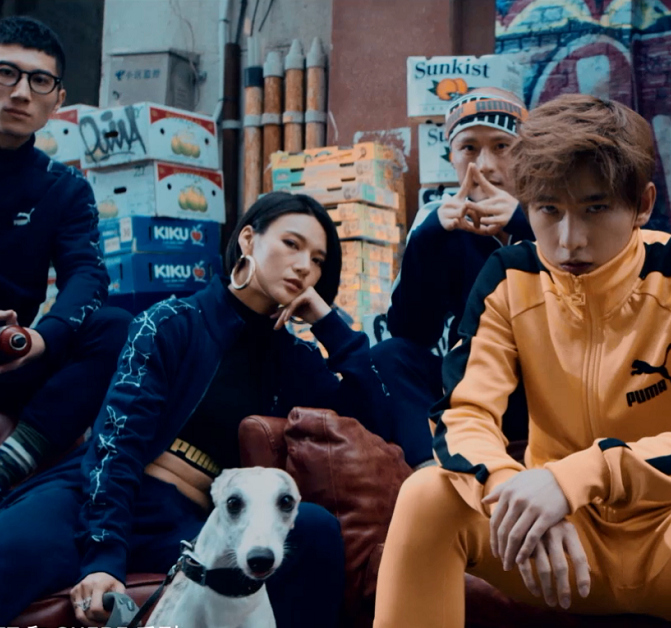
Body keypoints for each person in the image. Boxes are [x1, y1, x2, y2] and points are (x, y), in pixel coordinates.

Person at [373, 94, 671, 627]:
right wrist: (514, 495)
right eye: (549, 210)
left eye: (595, 208)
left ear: (642, 204)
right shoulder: (508, 276)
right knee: (426, 495)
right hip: (562, 548)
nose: (569, 240)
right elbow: (463, 415)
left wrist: (575, 478)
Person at [0, 192, 392, 627]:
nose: (304, 267)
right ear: (248, 239)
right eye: (291, 244)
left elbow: (378, 421)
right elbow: (117, 444)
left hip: (193, 523)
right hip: (97, 499)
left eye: (318, 260)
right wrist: (104, 555)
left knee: (314, 529)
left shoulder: (293, 361)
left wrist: (330, 324)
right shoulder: (172, 321)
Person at [0, 16, 131, 493]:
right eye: (6, 73)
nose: (20, 93)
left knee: (116, 328)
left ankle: (15, 458)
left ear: (57, 100)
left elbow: (88, 276)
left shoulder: (65, 188)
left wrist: (41, 339)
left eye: (39, 81)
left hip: (11, 356)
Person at [371, 87, 534, 468]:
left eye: (502, 147)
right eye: (469, 148)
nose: (485, 165)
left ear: (526, 154)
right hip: (465, 381)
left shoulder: (552, 210)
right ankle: (429, 467)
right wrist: (430, 240)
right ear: (452, 157)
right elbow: (411, 333)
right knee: (388, 357)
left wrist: (522, 222)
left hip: (537, 381)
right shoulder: (434, 220)